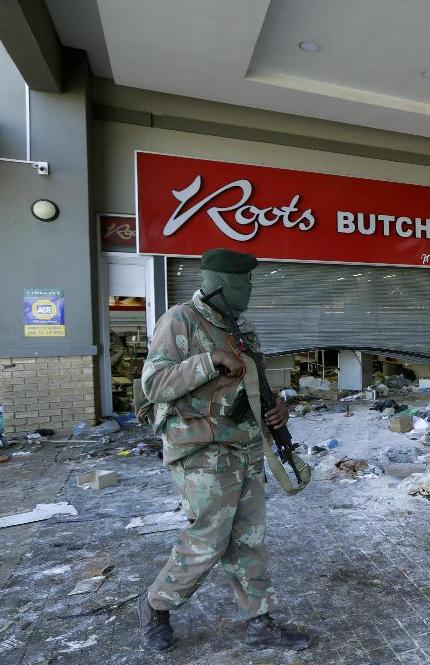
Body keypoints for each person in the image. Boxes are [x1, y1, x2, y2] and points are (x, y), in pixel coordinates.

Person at [137, 248, 309, 653]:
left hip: (244, 448)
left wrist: (276, 410)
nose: (249, 288)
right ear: (222, 283)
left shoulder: (242, 330)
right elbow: (155, 384)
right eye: (244, 281)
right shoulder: (180, 320)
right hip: (202, 451)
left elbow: (254, 386)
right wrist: (209, 361)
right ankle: (155, 605)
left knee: (249, 539)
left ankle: (259, 622)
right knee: (208, 540)